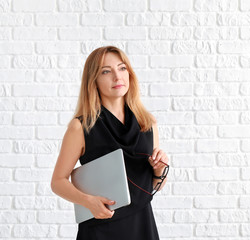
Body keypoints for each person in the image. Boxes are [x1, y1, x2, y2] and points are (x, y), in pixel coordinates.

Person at [51, 46, 169, 240]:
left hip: (142, 226)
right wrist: (88, 202)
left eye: (122, 68)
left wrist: (159, 169)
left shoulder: (148, 123)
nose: (117, 76)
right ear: (93, 81)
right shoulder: (80, 127)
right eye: (106, 71)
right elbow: (57, 182)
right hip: (100, 229)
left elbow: (153, 186)